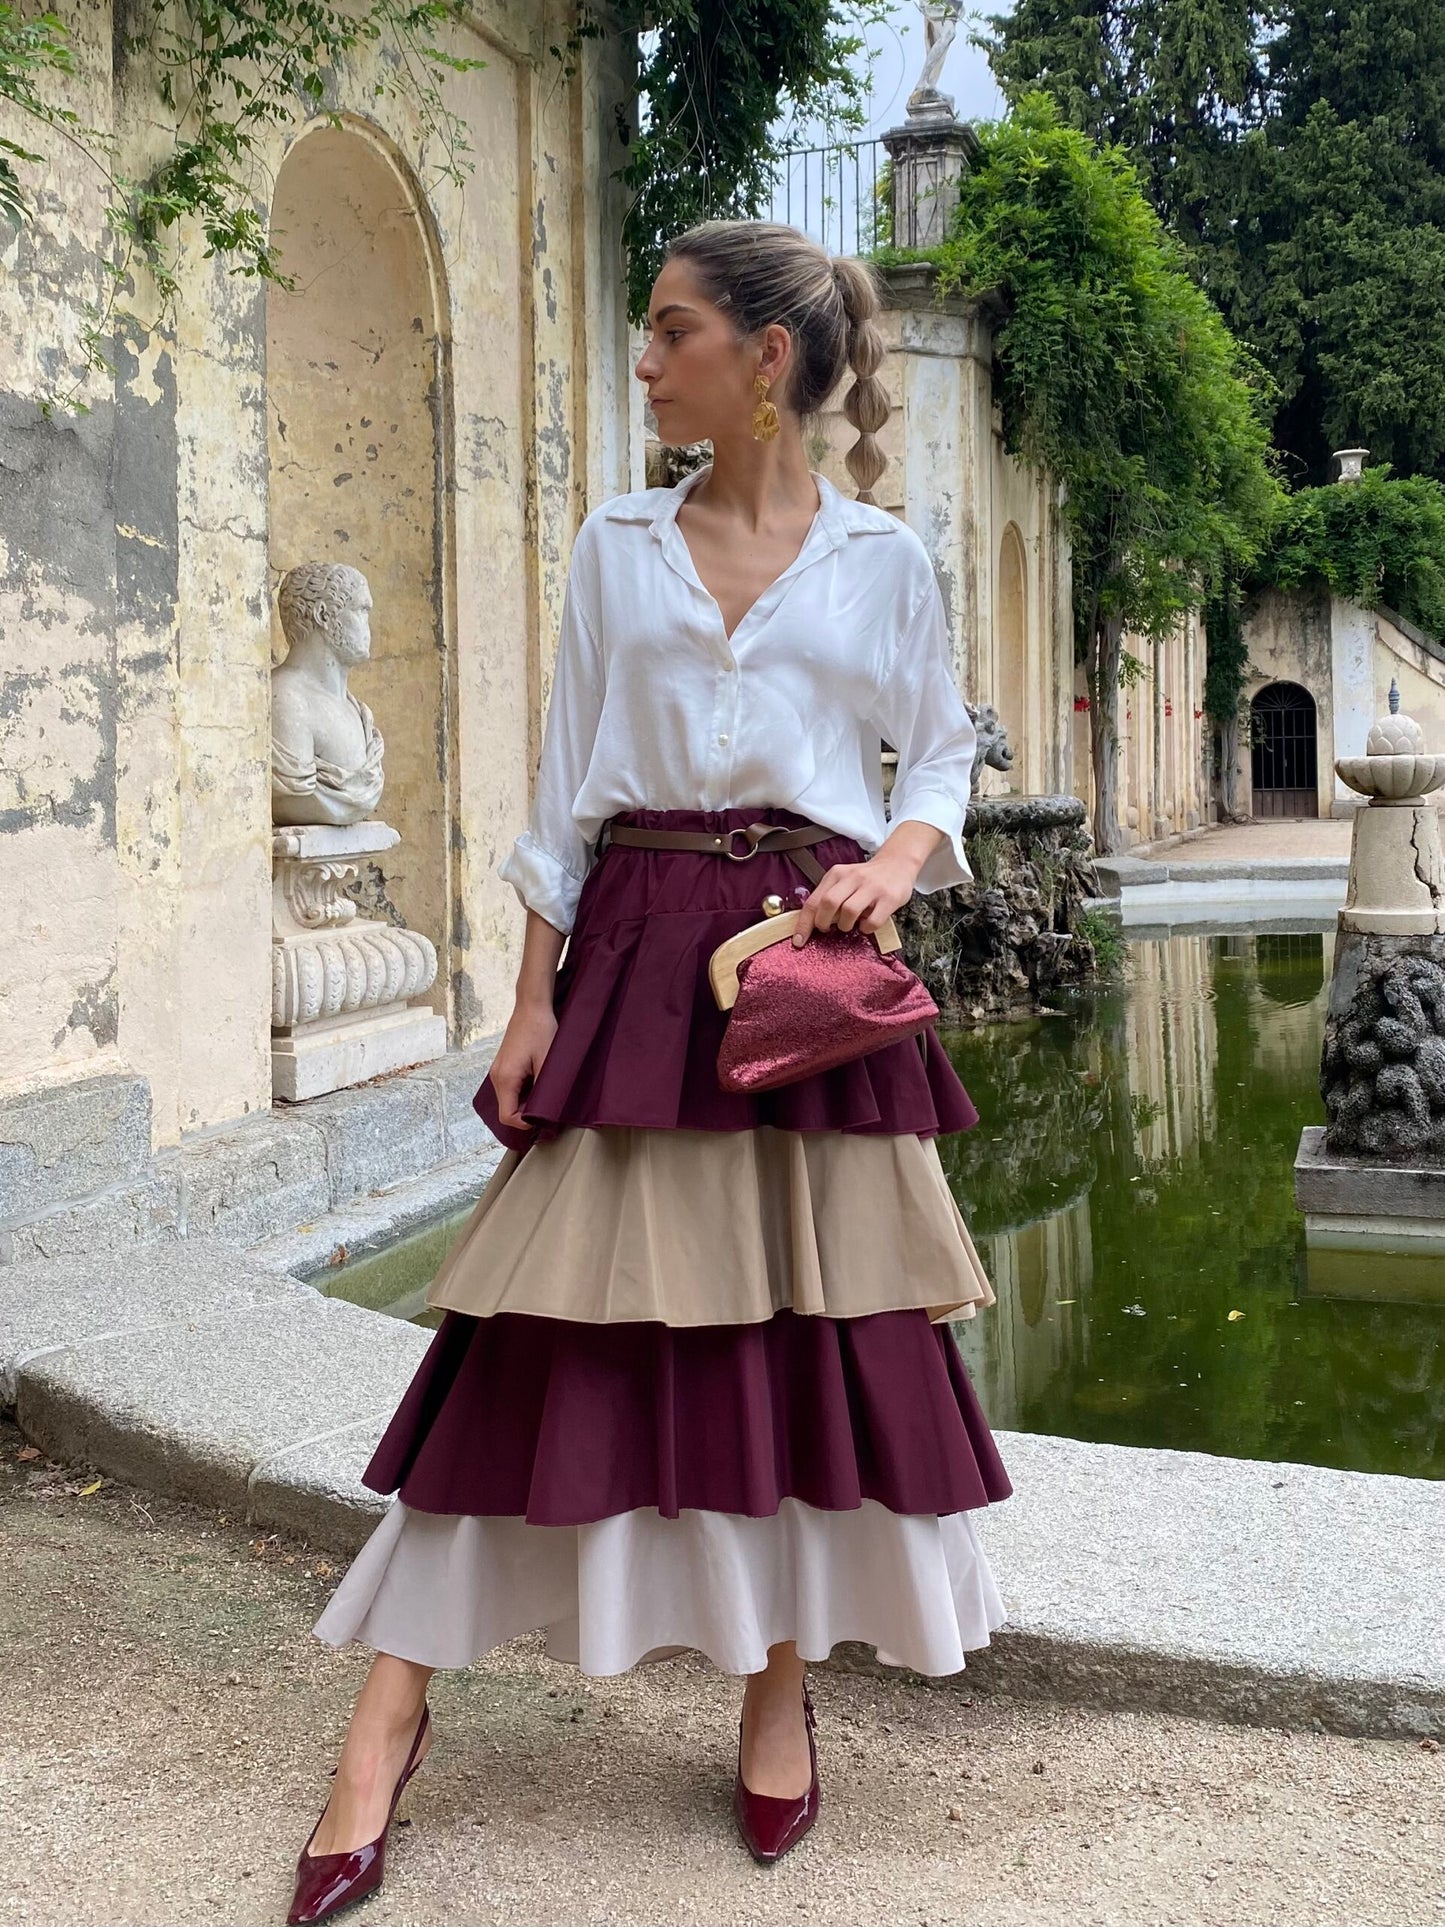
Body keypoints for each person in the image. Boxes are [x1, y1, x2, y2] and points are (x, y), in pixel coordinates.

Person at [287, 219, 1011, 1925]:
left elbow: (946, 746)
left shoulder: (881, 558)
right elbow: (562, 792)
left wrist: (897, 862)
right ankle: (383, 1731)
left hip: (804, 979)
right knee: (531, 1341)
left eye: (670, 330)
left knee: (794, 1343)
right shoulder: (617, 544)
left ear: (763, 360)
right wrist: (527, 998)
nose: (642, 357)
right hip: (631, 957)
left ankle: (776, 1690)